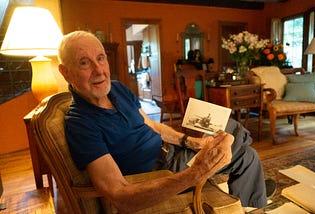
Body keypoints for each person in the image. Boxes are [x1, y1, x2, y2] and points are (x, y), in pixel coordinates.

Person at [57, 31, 269, 213]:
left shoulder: (117, 88)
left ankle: (250, 205)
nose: (98, 70)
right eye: (84, 62)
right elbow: (119, 194)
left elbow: (150, 124)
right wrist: (196, 172)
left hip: (172, 153)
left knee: (232, 133)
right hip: (158, 172)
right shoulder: (80, 123)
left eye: (101, 58)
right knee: (240, 144)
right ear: (65, 73)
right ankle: (253, 191)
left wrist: (192, 142)